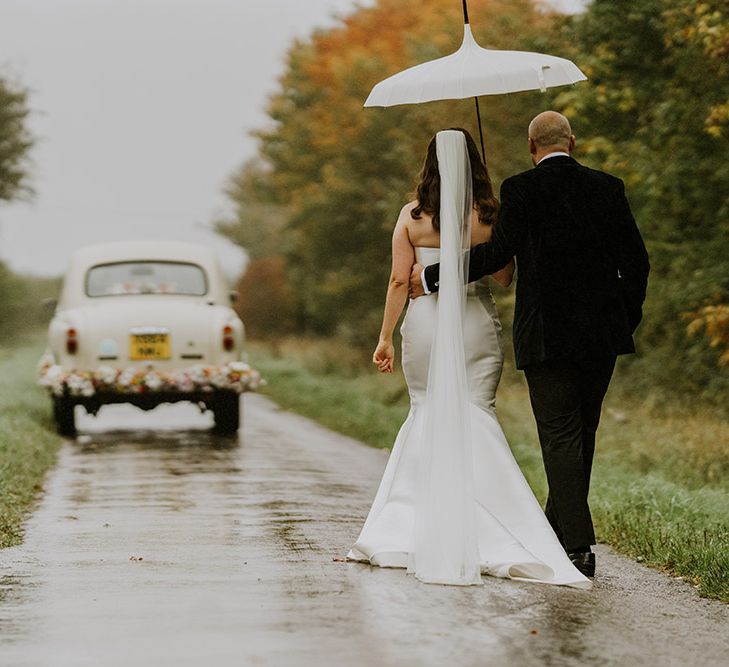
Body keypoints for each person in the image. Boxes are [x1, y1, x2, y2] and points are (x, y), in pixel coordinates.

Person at [347, 128, 591, 588]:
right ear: (475, 165)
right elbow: (503, 277)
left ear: (429, 166)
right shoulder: (490, 214)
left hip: (425, 324)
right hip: (476, 325)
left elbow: (400, 281)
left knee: (426, 410)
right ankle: (499, 523)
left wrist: (384, 338)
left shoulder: (412, 216)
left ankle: (413, 527)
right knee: (478, 410)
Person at [409, 112, 650, 577]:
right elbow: (637, 263)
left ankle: (578, 549)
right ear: (572, 142)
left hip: (546, 333)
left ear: (530, 145)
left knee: (560, 437)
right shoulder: (608, 187)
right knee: (583, 432)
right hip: (602, 334)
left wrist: (435, 274)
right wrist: (624, 318)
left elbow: (497, 255)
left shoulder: (521, 189)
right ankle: (556, 529)